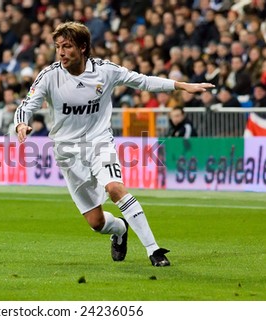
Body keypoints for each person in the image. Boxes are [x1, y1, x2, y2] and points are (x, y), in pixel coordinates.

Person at [14, 22, 214, 267]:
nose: (61, 52)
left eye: (67, 46)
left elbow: (143, 81)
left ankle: (154, 250)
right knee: (96, 223)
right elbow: (27, 105)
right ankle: (120, 229)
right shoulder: (49, 76)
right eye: (58, 47)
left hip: (99, 143)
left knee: (115, 188)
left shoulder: (104, 71)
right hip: (67, 153)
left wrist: (181, 86)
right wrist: (21, 124)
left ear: (83, 47)